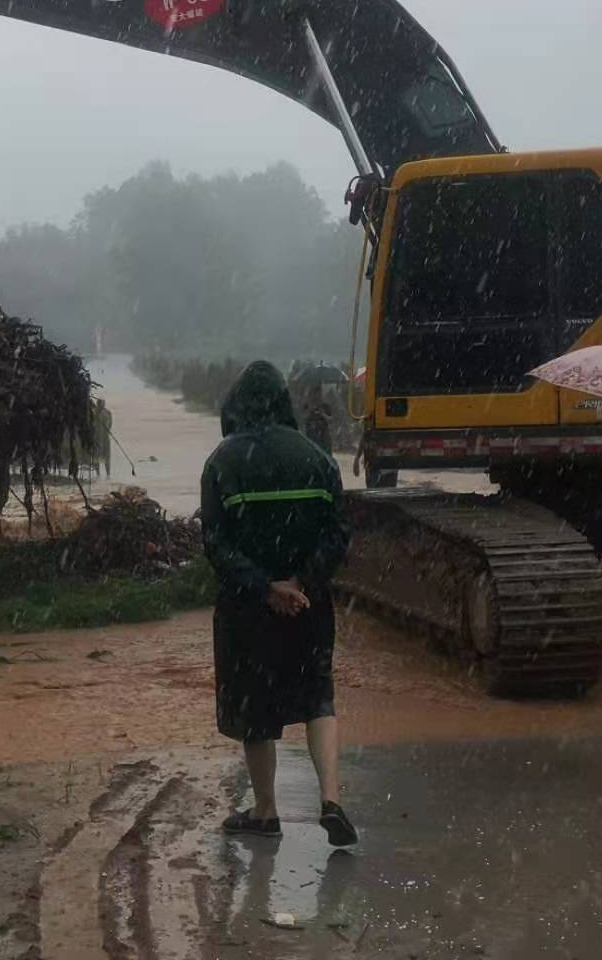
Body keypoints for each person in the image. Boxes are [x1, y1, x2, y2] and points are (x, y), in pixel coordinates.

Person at [201, 360, 356, 845]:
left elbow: (216, 543)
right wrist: (301, 582)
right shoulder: (318, 458)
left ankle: (266, 810)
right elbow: (339, 533)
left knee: (255, 706)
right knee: (317, 697)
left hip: (248, 610)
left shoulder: (222, 462)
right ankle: (330, 799)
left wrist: (266, 587)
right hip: (309, 606)